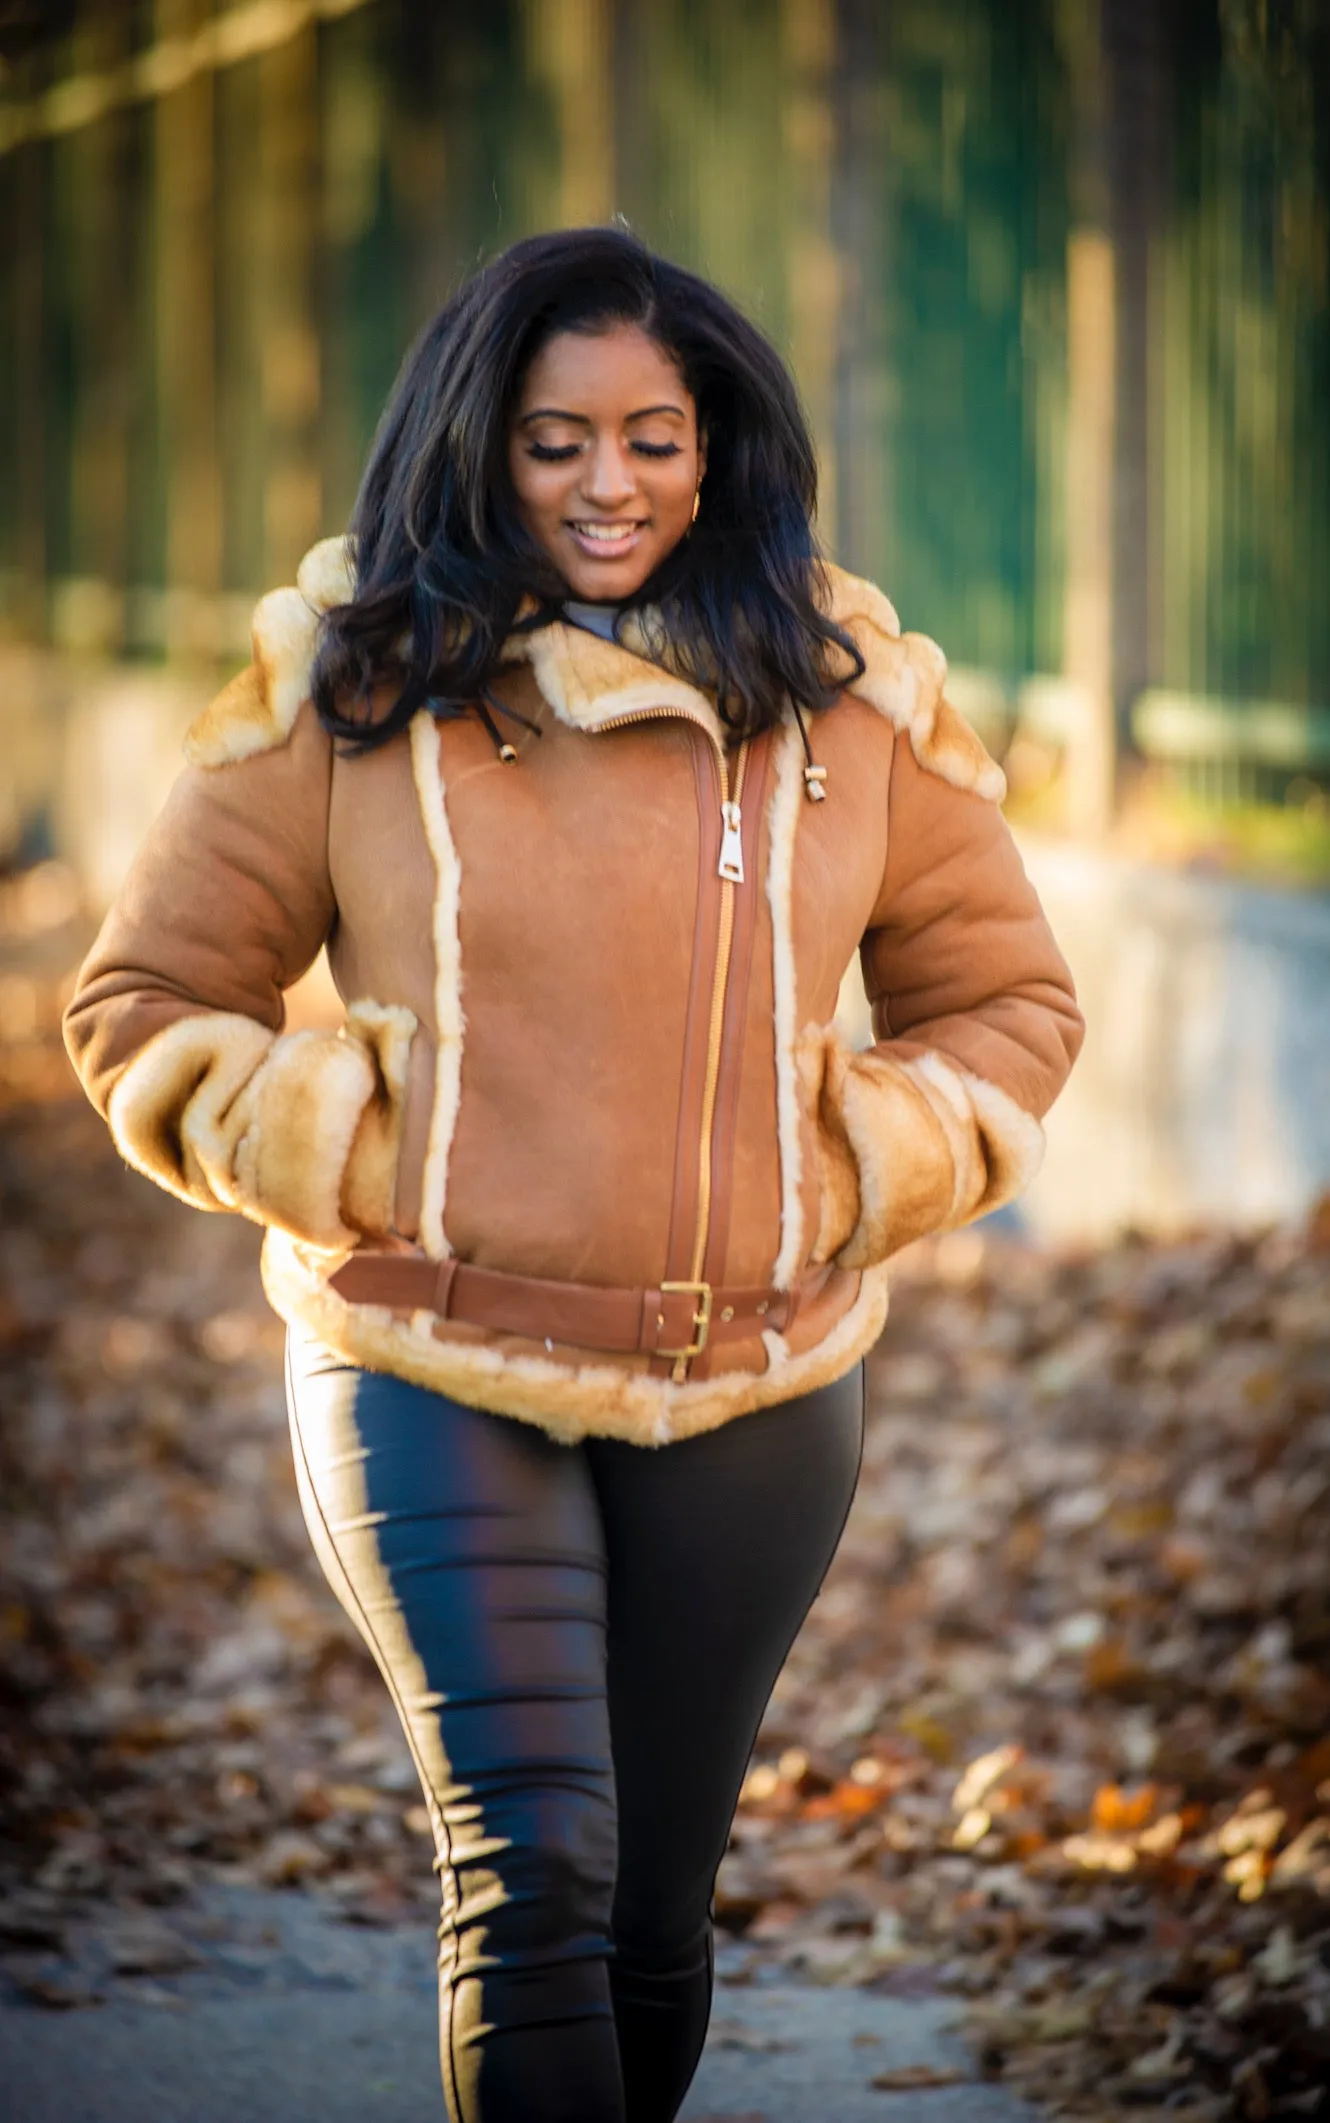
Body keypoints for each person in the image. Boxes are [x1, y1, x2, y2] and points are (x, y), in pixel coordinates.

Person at [63, 226, 1084, 2123]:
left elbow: (1005, 994)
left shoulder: (849, 696)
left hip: (760, 1381)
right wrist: (334, 1141)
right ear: (480, 444)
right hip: (427, 1358)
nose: (608, 482)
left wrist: (866, 1158)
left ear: (722, 448)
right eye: (554, 442)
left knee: (651, 1923)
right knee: (534, 1886)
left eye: (653, 436)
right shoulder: (348, 680)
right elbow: (147, 994)